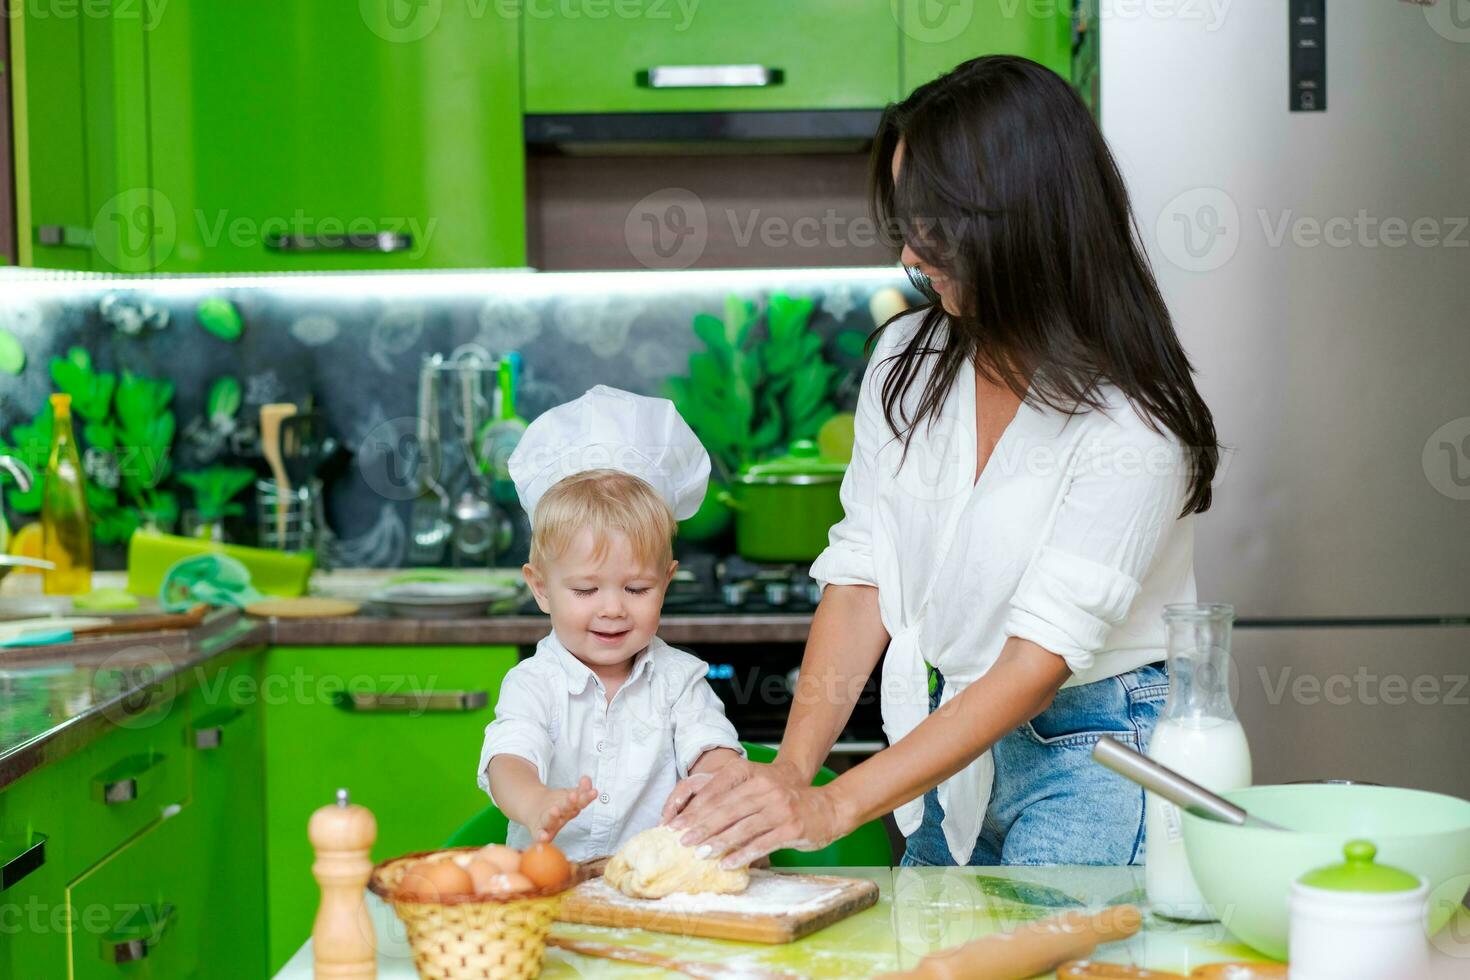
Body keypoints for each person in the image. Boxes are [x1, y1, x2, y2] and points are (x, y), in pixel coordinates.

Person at [664, 55, 1221, 870]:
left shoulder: (1134, 422)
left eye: (935, 223)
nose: (912, 254)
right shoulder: (906, 359)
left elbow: (1035, 666)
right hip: (942, 735)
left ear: (1022, 215)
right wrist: (791, 771)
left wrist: (834, 804)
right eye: (905, 221)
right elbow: (863, 578)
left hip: (1097, 747)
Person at [478, 385, 745, 861]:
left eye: (637, 589)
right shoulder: (534, 683)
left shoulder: (680, 680)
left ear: (666, 582)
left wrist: (721, 781)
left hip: (656, 896)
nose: (612, 609)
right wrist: (535, 801)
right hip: (556, 894)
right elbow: (509, 762)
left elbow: (710, 748)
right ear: (540, 588)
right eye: (585, 590)